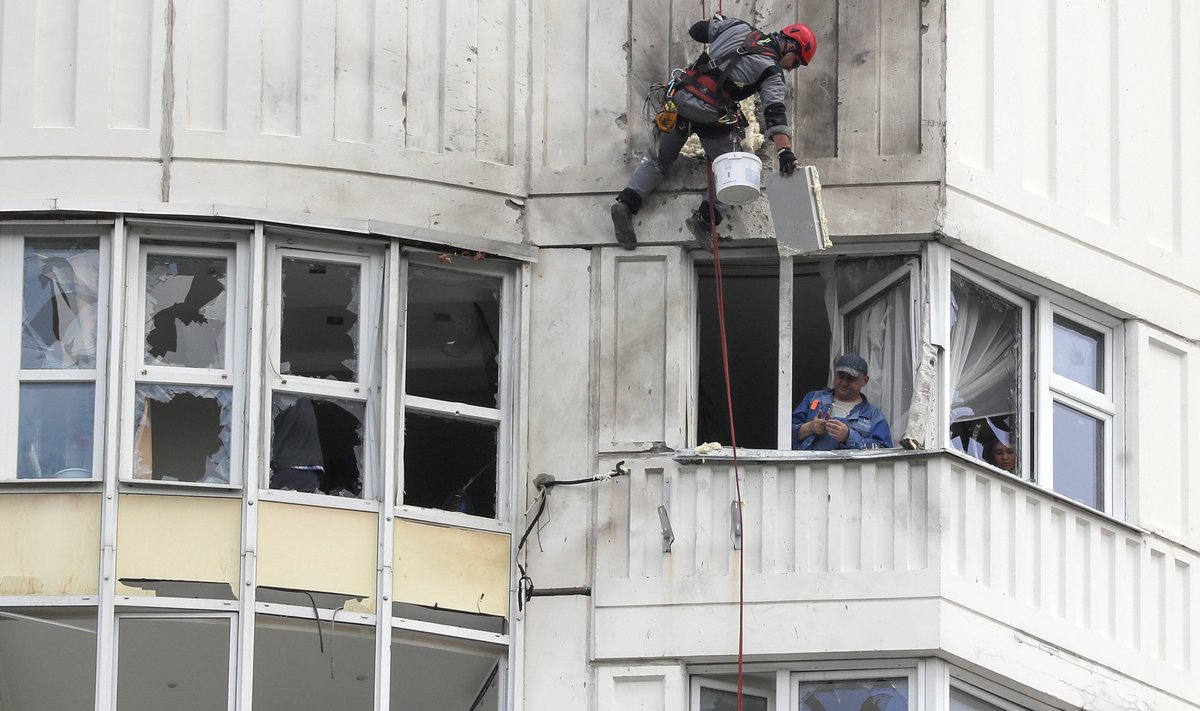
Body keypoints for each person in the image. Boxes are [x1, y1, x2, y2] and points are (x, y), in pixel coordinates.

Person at [610, 15, 817, 250]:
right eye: (797, 62)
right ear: (790, 45)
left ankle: (625, 205)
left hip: (679, 101)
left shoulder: (738, 26)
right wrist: (784, 152)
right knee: (733, 169)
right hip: (710, 117)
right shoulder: (772, 72)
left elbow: (697, 31)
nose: (791, 68)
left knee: (658, 161)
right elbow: (775, 112)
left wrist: (719, 24)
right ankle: (704, 220)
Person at [792, 354, 893, 450]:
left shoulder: (873, 415)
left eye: (851, 379)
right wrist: (809, 427)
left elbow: (885, 452)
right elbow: (783, 436)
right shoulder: (813, 399)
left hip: (851, 468)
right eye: (840, 376)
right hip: (809, 467)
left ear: (865, 380)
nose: (844, 383)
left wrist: (849, 437)